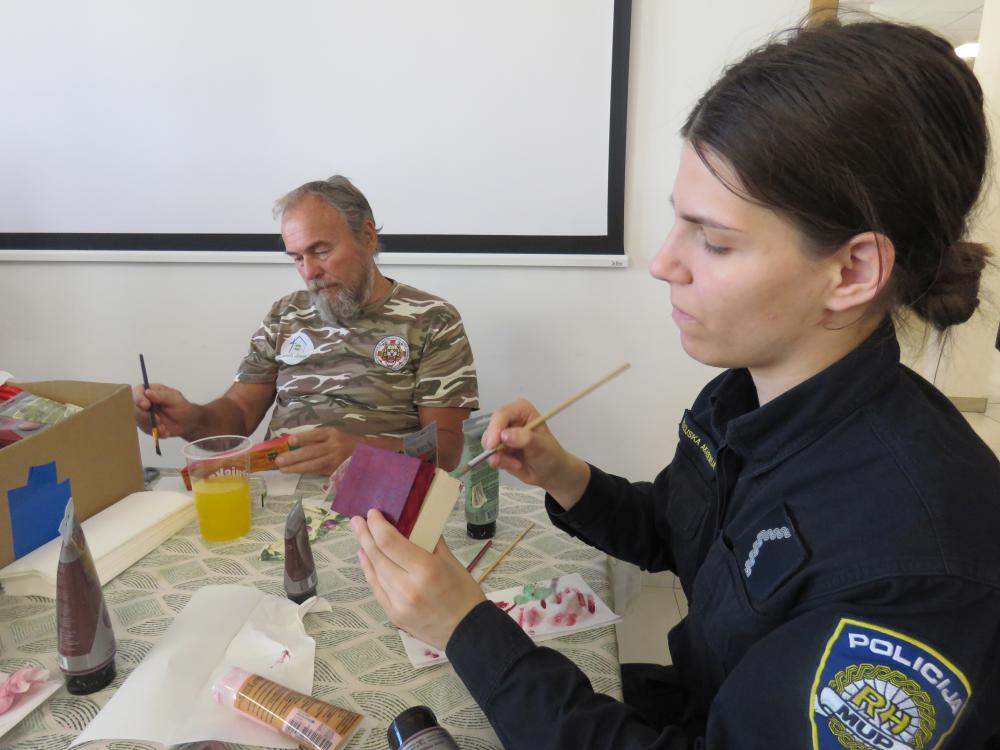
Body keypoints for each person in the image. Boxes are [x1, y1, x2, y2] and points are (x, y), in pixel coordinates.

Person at [350, 20, 1000, 748]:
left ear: (851, 272)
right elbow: (685, 531)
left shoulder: (919, 571)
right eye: (678, 224)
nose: (663, 263)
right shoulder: (746, 394)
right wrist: (567, 477)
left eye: (713, 240)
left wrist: (464, 627)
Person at [133, 176, 479, 473]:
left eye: (321, 251)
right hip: (278, 496)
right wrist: (190, 419)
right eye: (297, 257)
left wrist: (363, 452)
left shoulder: (431, 318)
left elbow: (446, 448)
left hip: (380, 498)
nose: (309, 272)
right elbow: (238, 414)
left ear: (367, 237)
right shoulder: (285, 315)